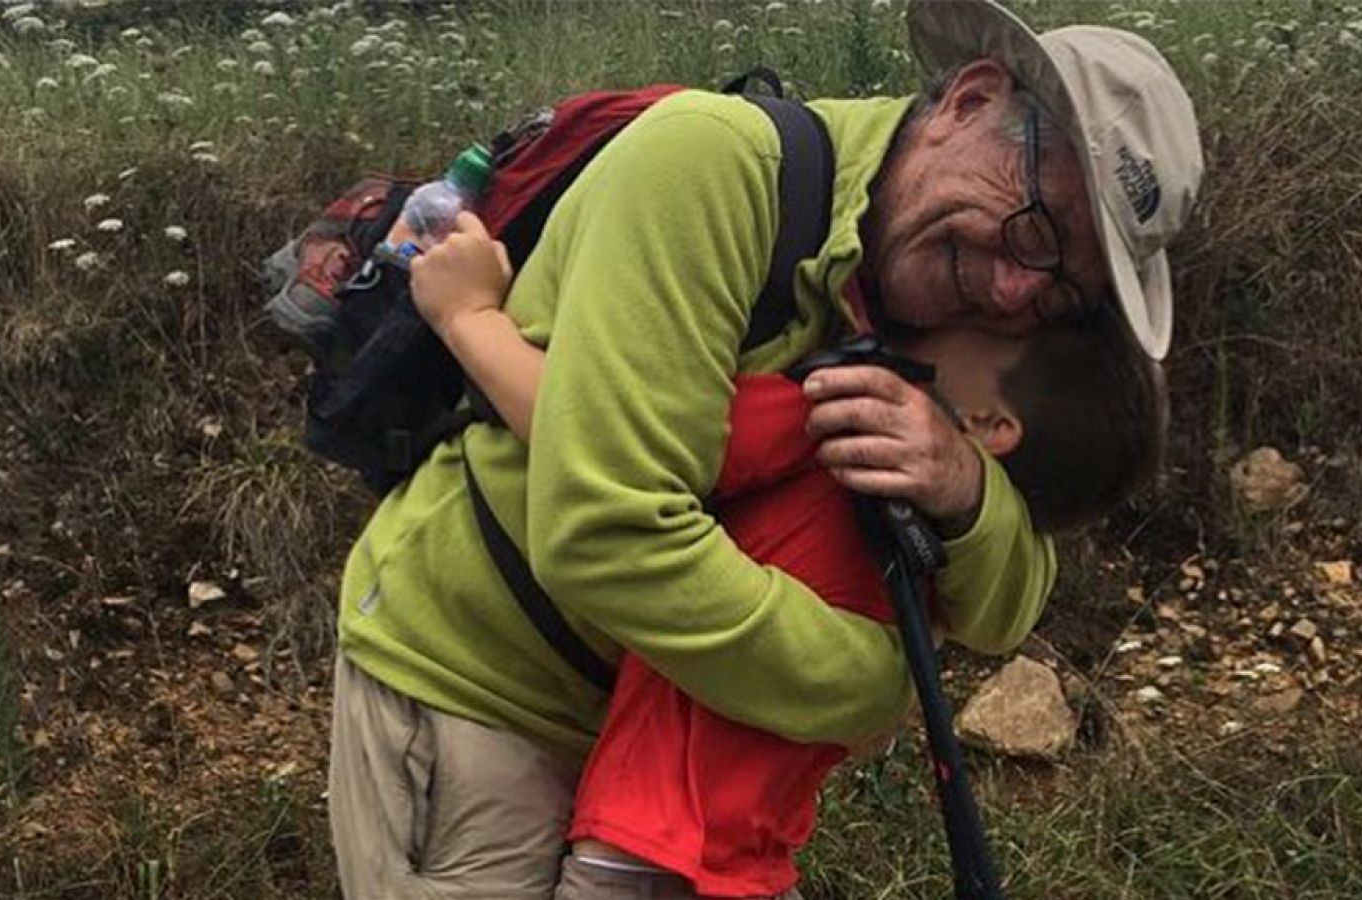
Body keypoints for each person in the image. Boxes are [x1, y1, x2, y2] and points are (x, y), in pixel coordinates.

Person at [326, 1, 1203, 896]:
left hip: (650, 732)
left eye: (1058, 291)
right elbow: (607, 532)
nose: (1014, 289)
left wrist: (965, 485)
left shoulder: (943, 318)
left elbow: (1008, 606)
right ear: (970, 100)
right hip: (479, 692)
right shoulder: (711, 170)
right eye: (1034, 227)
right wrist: (880, 686)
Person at [402, 236, 1166, 897]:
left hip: (648, 848)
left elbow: (600, 440)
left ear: (990, 425)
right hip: (753, 861)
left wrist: (464, 316)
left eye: (992, 329)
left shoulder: (831, 417)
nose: (975, 309)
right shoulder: (949, 541)